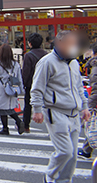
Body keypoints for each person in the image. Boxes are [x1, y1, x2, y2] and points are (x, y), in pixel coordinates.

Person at [32, 31, 90, 183]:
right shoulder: (47, 62)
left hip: (74, 113)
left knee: (73, 156)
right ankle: (50, 176)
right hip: (55, 111)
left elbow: (79, 87)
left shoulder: (74, 62)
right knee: (65, 151)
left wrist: (84, 107)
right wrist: (37, 110)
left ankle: (64, 180)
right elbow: (37, 88)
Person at [0, 44, 24, 135]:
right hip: (13, 88)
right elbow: (19, 78)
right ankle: (17, 122)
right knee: (10, 107)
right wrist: (21, 89)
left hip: (2, 89)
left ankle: (6, 127)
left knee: (2, 109)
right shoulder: (16, 64)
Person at [22, 33, 47, 133]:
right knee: (47, 104)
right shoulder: (46, 54)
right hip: (45, 84)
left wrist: (24, 84)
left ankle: (26, 126)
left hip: (31, 84)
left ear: (30, 43)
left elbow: (26, 72)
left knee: (28, 105)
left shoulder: (28, 55)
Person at [79, 43, 97, 159]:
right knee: (92, 125)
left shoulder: (95, 65)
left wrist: (89, 105)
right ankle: (86, 149)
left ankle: (86, 150)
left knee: (91, 123)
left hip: (95, 100)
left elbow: (95, 87)